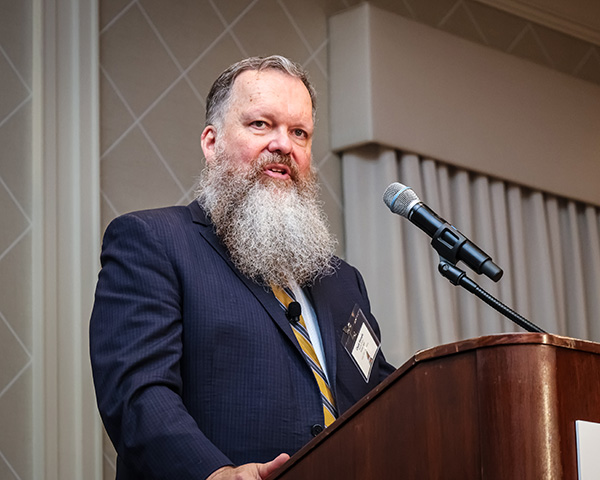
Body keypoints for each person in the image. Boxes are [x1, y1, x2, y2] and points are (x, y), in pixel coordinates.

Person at [90, 55, 395, 480]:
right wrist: (214, 473)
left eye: (299, 132)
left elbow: (383, 399)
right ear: (211, 143)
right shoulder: (153, 241)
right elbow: (138, 393)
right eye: (260, 125)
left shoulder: (342, 281)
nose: (283, 145)